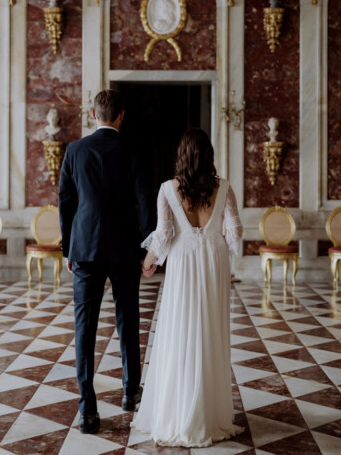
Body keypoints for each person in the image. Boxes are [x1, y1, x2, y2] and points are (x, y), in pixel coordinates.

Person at [131, 128, 244, 447]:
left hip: (182, 261)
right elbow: (235, 234)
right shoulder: (225, 188)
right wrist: (221, 242)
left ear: (181, 156)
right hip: (214, 259)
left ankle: (179, 411)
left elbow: (164, 235)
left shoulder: (168, 189)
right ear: (209, 156)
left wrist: (148, 261)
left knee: (180, 329)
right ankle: (209, 412)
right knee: (210, 329)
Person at [58, 89, 156, 434]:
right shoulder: (132, 150)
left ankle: (87, 409)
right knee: (128, 321)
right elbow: (147, 200)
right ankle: (130, 393)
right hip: (126, 248)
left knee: (84, 328)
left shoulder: (75, 150)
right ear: (121, 116)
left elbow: (65, 201)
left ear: (93, 115)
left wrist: (67, 247)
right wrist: (149, 249)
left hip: (84, 248)